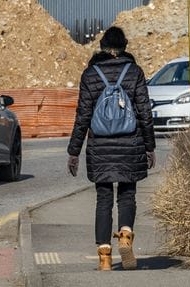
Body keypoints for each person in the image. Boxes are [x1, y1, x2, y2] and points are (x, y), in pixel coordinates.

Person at [67, 26, 155, 271]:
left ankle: (104, 257)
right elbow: (145, 113)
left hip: (100, 147)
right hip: (131, 143)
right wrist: (150, 147)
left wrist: (73, 152)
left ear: (103, 47)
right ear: (124, 46)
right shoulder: (134, 72)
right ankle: (126, 235)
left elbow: (82, 116)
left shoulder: (90, 75)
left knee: (103, 199)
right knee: (127, 194)